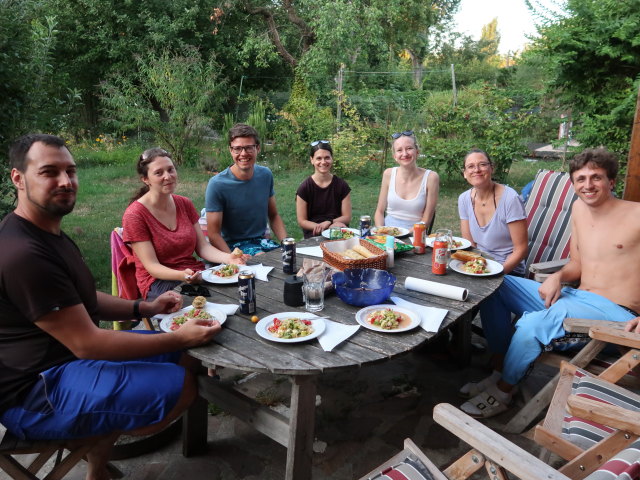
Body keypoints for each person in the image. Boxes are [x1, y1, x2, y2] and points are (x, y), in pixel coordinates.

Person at [0, 134, 220, 480]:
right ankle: (98, 432)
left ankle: (96, 469)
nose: (65, 181)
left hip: (68, 361)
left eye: (70, 171)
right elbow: (88, 343)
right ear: (18, 178)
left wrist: (144, 308)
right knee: (181, 384)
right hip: (35, 391)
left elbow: (84, 299)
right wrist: (179, 337)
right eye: (48, 172)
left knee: (186, 358)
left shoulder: (47, 232)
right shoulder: (23, 254)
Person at [459, 148, 640, 419]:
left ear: (611, 181)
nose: (588, 185)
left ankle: (503, 391)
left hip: (617, 315)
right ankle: (500, 369)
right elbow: (577, 263)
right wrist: (557, 276)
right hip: (577, 299)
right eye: (581, 179)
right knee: (496, 284)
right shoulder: (579, 209)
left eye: (596, 177)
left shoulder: (636, 215)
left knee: (534, 324)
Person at [122, 147, 247, 300]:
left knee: (240, 289)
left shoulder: (184, 203)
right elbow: (152, 267)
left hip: (192, 272)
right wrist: (182, 275)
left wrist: (229, 259)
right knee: (208, 305)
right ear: (145, 179)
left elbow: (203, 247)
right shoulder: (135, 215)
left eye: (170, 169)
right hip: (159, 282)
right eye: (158, 173)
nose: (168, 176)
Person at [458, 149, 528, 276]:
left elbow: (521, 249)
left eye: (482, 164)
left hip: (508, 270)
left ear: (492, 168)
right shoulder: (464, 199)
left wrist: (496, 274)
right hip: (480, 266)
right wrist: (475, 268)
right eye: (470, 166)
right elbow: (469, 243)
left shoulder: (510, 198)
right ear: (465, 173)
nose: (477, 170)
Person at [374, 130, 439, 230]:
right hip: (387, 234)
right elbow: (379, 211)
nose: (404, 154)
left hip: (415, 235)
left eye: (409, 148)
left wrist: (406, 235)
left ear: (417, 152)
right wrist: (381, 230)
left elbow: (426, 219)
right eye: (399, 150)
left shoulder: (431, 177)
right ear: (395, 156)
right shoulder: (388, 174)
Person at [295, 140, 352, 238]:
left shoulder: (342, 185)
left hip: (337, 231)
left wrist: (330, 223)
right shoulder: (304, 188)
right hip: (314, 234)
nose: (323, 162)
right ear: (312, 160)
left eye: (327, 158)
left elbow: (347, 217)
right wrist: (320, 227)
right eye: (318, 158)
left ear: (332, 159)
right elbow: (302, 221)